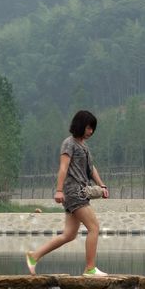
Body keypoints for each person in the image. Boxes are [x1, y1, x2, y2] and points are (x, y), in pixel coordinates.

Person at [26, 109, 109, 277]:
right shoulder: (68, 143)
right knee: (94, 227)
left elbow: (91, 168)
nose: (91, 131)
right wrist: (58, 190)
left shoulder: (83, 146)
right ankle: (90, 268)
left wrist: (102, 185)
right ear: (80, 125)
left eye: (93, 128)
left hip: (81, 192)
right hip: (74, 193)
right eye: (88, 128)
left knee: (69, 235)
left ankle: (34, 256)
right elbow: (63, 167)